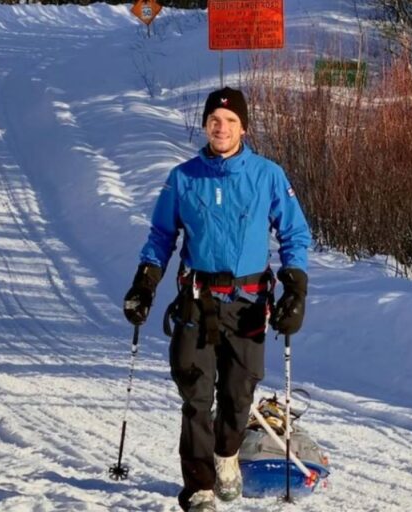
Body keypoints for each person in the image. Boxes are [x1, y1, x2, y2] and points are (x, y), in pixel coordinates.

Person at [122, 87, 312, 512]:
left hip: (247, 303)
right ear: (205, 125)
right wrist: (145, 283)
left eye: (229, 120)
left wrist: (295, 287)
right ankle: (199, 487)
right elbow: (161, 235)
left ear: (243, 127)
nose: (220, 127)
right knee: (195, 396)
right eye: (214, 120)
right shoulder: (183, 177)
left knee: (238, 394)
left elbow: (294, 234)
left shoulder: (268, 175)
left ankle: (227, 455)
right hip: (197, 302)